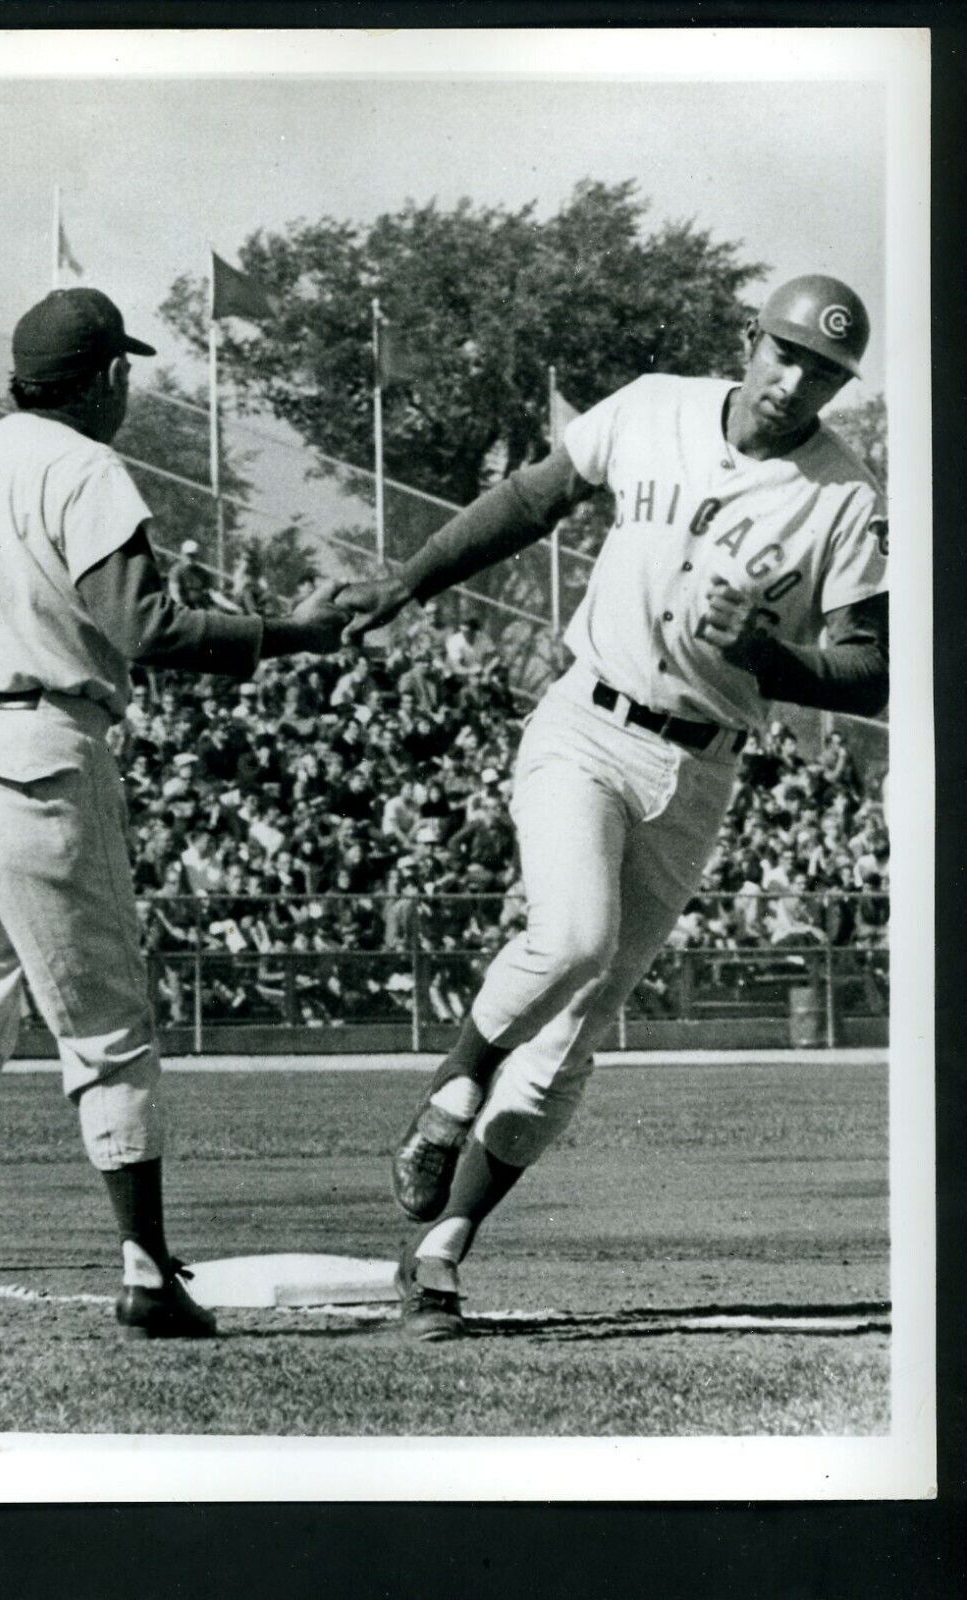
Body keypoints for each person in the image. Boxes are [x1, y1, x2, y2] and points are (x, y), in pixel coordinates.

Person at [337, 273, 889, 1341]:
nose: (792, 378)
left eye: (819, 369)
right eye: (780, 351)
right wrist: (406, 584)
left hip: (698, 767)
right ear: (747, 340)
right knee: (573, 934)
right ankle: (449, 1094)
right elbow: (527, 501)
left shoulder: (842, 494)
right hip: (584, 721)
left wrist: (767, 655)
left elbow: (867, 670)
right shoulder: (650, 406)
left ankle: (438, 1257)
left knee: (573, 1041)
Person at [0, 287, 346, 1343]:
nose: (128, 391)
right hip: (32, 751)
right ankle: (147, 1274)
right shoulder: (81, 464)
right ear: (103, 378)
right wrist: (296, 634)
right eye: (125, 374)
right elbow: (141, 626)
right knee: (107, 1031)